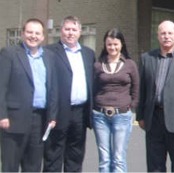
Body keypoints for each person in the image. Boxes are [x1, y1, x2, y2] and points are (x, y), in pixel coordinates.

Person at [136, 20, 174, 172]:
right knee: (155, 165)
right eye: (163, 33)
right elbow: (142, 89)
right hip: (153, 119)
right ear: (157, 36)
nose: (166, 36)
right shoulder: (147, 58)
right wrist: (140, 116)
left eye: (170, 33)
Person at [0, 18, 58, 172]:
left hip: (39, 121)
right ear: (22, 33)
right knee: (10, 167)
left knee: (33, 166)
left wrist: (52, 116)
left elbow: (52, 88)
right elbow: (1, 86)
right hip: (13, 120)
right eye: (29, 32)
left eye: (37, 33)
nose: (33, 36)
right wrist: (2, 115)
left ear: (43, 37)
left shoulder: (49, 57)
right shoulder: (9, 54)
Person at [43, 16, 95, 172]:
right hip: (58, 112)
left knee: (76, 155)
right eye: (67, 29)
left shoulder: (88, 53)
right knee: (53, 156)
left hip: (80, 112)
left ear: (80, 32)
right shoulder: (49, 52)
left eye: (74, 29)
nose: (70, 33)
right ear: (61, 31)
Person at [92, 28, 139, 172]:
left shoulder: (130, 64)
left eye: (115, 44)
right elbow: (93, 87)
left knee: (118, 158)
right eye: (109, 44)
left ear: (122, 44)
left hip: (122, 115)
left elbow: (136, 88)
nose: (112, 47)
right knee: (104, 159)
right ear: (105, 45)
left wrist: (132, 107)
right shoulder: (98, 65)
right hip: (100, 116)